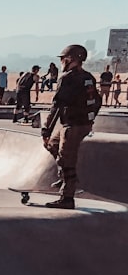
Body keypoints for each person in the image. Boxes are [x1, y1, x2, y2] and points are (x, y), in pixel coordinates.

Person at [40, 44, 100, 209]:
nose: (61, 62)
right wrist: (90, 119)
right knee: (52, 144)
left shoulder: (67, 78)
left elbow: (57, 104)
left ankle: (67, 198)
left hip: (72, 125)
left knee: (68, 160)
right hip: (79, 124)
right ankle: (66, 177)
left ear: (71, 59)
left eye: (63, 59)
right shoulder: (89, 77)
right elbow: (97, 101)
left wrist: (46, 129)